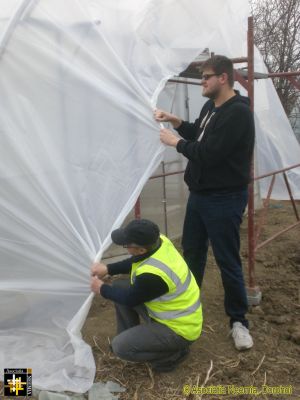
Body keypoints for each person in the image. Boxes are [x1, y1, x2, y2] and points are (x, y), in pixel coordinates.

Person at [154, 55, 255, 351]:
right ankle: (188, 307)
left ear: (223, 78)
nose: (202, 82)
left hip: (224, 198)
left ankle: (238, 322)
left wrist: (176, 143)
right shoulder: (212, 106)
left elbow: (209, 153)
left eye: (206, 77)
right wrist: (176, 121)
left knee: (227, 260)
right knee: (193, 253)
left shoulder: (238, 113)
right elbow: (200, 131)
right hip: (200, 196)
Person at [90, 219, 202, 372]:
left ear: (141, 249)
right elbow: (135, 261)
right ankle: (129, 335)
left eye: (127, 245)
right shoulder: (159, 241)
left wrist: (101, 289)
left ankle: (173, 354)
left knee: (121, 348)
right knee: (119, 286)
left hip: (179, 330)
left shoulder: (153, 276)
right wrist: (108, 268)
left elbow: (130, 298)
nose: (126, 247)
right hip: (173, 315)